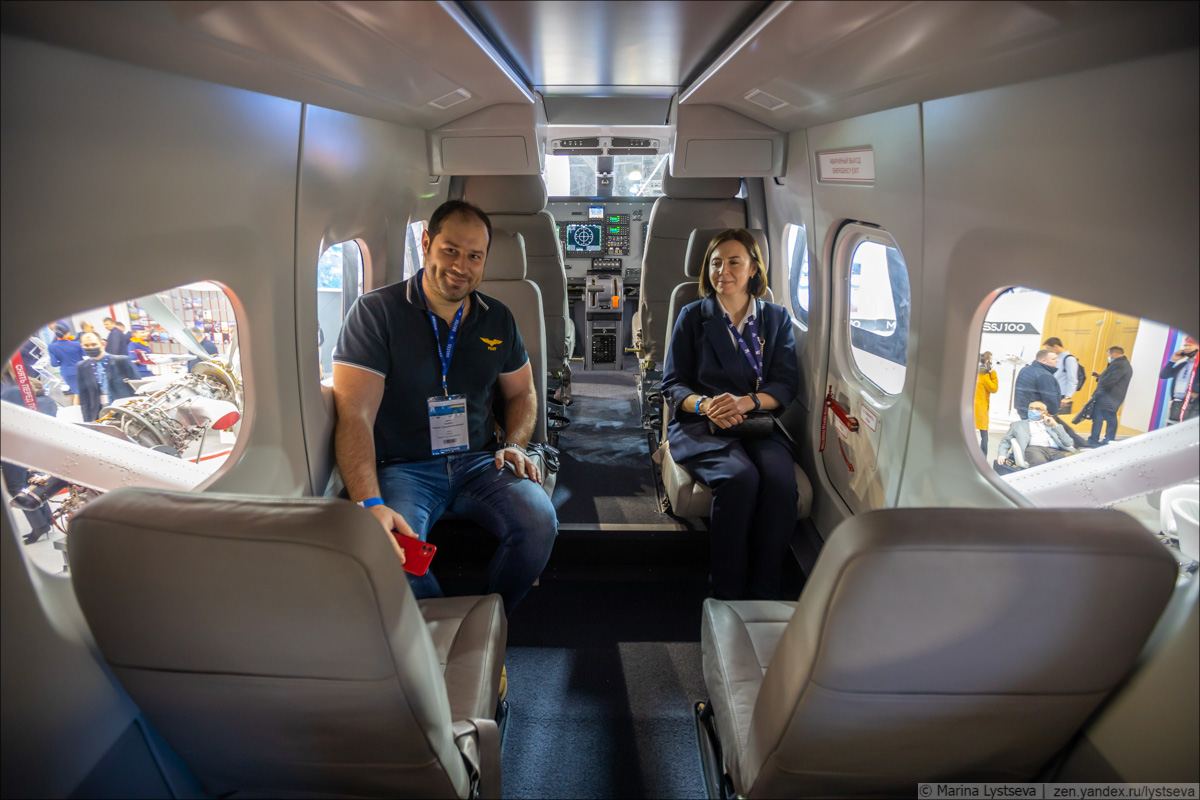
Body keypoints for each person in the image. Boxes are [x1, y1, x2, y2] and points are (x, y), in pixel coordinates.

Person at [332, 200, 557, 614]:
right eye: (450, 250)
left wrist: (516, 444)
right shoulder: (376, 313)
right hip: (404, 467)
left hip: (480, 462)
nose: (460, 266)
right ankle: (441, 631)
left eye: (474, 256)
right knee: (393, 550)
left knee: (540, 521)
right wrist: (370, 503)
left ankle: (490, 616)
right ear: (426, 243)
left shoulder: (498, 318)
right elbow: (355, 415)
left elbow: (523, 393)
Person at [661, 228, 800, 600]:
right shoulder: (693, 316)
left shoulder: (776, 318)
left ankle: (765, 590)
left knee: (780, 485)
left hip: (756, 420)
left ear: (754, 268)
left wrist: (748, 402)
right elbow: (673, 384)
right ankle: (727, 591)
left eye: (734, 262)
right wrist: (705, 404)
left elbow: (786, 383)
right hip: (700, 423)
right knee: (739, 478)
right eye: (715, 263)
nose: (722, 271)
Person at [2, 365, 60, 543]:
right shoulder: (16, 388)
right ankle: (44, 521)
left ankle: (39, 525)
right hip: (22, 445)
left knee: (16, 486)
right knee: (29, 482)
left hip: (13, 446)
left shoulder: (10, 391)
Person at [76, 331, 140, 423]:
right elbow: (84, 397)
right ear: (82, 346)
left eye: (94, 344)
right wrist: (87, 421)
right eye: (86, 345)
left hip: (124, 412)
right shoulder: (82, 367)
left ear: (103, 344)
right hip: (99, 415)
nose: (90, 348)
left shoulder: (121, 361)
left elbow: (137, 388)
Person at [996, 400, 1078, 469]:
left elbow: (1068, 443)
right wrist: (1002, 455)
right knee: (1040, 465)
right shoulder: (1018, 425)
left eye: (1037, 409)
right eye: (1031, 408)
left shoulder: (1051, 424)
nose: (1033, 411)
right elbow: (1006, 441)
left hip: (1055, 450)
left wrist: (1055, 425)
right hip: (1034, 449)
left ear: (1045, 412)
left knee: (1074, 460)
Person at [1087, 345, 1133, 446]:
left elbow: (1110, 381)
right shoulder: (1124, 364)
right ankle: (1107, 440)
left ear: (1114, 354)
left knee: (1100, 418)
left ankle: (1097, 440)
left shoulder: (1119, 365)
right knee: (1108, 418)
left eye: (1109, 355)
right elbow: (1113, 378)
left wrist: (1098, 392)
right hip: (1113, 397)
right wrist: (1101, 376)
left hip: (1108, 396)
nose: (1108, 357)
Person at [1013, 348, 1061, 419]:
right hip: (1036, 411)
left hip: (1023, 408)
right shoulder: (1044, 375)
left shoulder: (1025, 369)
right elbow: (1049, 397)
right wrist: (1052, 412)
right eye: (1053, 359)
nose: (1057, 360)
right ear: (1043, 361)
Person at [1160, 336, 1198, 424]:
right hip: (1177, 404)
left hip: (1194, 405)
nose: (1186, 348)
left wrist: (1197, 390)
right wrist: (1172, 361)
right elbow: (1164, 375)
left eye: (1190, 345)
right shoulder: (1182, 365)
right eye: (1185, 345)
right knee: (1172, 428)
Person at [1043, 337, 1080, 412]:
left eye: (1049, 349)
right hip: (1052, 392)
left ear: (1055, 346)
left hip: (1061, 394)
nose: (1048, 351)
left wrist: (1067, 397)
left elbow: (1072, 379)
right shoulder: (1057, 358)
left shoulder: (1069, 359)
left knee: (1056, 417)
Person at [47, 322, 84, 397]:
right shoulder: (77, 344)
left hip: (67, 372)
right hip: (81, 370)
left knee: (77, 393)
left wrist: (62, 363)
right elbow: (85, 358)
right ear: (67, 333)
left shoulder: (52, 347)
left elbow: (54, 364)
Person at [975, 351, 998, 456]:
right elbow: (993, 388)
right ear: (988, 361)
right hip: (981, 408)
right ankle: (982, 456)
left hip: (971, 406)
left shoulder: (973, 373)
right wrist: (993, 373)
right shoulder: (985, 376)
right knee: (984, 436)